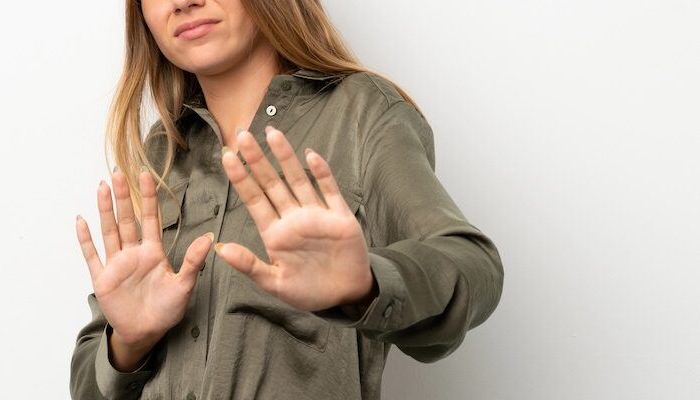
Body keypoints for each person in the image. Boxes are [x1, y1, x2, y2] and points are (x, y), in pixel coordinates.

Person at [70, 0, 504, 399]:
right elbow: (88, 384)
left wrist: (366, 285)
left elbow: (473, 266)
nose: (184, 1)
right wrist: (129, 342)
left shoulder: (360, 115)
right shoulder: (160, 155)